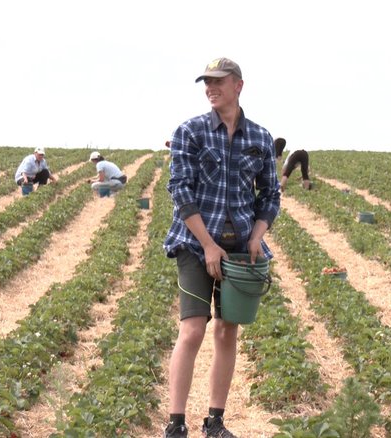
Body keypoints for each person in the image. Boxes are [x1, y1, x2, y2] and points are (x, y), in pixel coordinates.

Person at [162, 57, 280, 438]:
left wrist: (257, 234)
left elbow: (271, 194)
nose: (210, 88)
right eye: (206, 83)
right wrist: (209, 245)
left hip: (240, 248)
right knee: (193, 329)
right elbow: (180, 191)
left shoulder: (260, 138)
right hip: (196, 243)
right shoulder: (190, 132)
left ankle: (215, 421)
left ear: (238, 86)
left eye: (218, 82)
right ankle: (175, 423)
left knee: (228, 330)